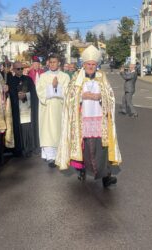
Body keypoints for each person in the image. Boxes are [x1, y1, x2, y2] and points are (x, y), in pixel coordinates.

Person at [55, 45, 122, 188]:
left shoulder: (102, 77)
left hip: (100, 121)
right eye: (88, 64)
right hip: (82, 121)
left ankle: (106, 177)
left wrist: (100, 96)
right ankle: (82, 170)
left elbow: (110, 96)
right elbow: (69, 97)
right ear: (83, 65)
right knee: (84, 149)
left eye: (93, 64)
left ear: (96, 65)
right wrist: (81, 95)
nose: (91, 67)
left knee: (103, 149)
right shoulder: (77, 78)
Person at [36, 54, 70, 167]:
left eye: (54, 62)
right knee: (47, 131)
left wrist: (56, 87)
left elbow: (67, 92)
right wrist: (52, 87)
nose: (52, 64)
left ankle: (59, 154)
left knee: (58, 131)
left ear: (59, 63)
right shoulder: (43, 76)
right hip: (46, 109)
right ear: (48, 63)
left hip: (59, 109)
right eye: (50, 62)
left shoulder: (65, 77)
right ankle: (50, 157)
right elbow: (39, 92)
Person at [8, 61, 39, 157]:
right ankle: (18, 149)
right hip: (16, 110)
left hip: (27, 109)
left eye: (22, 68)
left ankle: (29, 148)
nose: (20, 70)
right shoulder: (10, 81)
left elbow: (34, 93)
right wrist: (16, 96)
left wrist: (26, 95)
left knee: (27, 128)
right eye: (18, 69)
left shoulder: (28, 79)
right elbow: (8, 95)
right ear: (13, 69)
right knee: (18, 129)